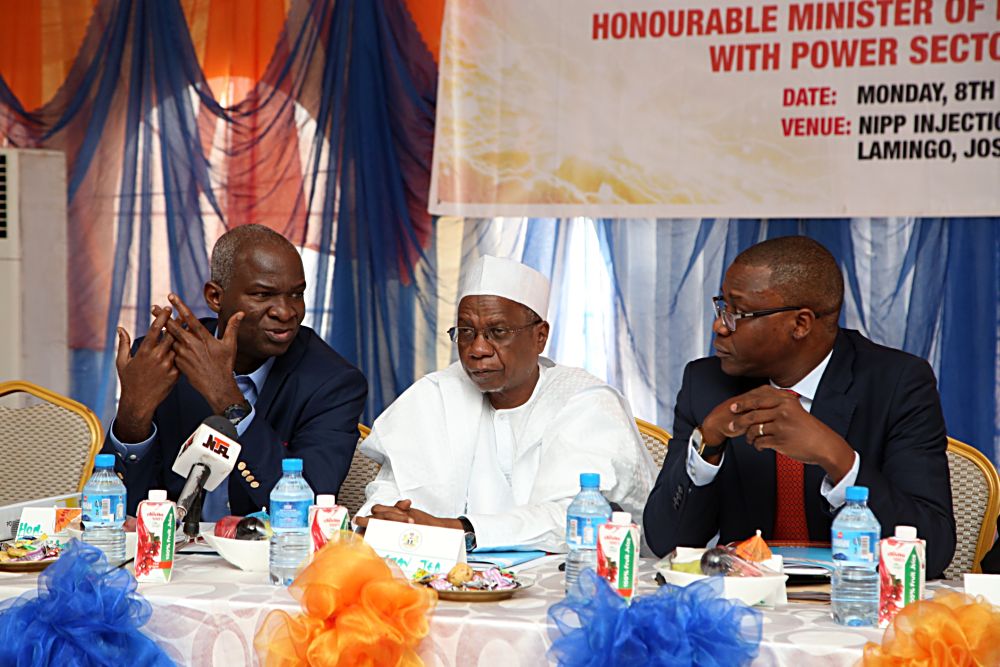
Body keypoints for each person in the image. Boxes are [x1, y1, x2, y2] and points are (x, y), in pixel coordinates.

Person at [643, 236, 956, 578]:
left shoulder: (897, 384)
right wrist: (708, 443)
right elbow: (666, 541)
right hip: (743, 603)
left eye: (737, 312)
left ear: (800, 324)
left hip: (855, 601)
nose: (720, 325)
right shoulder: (706, 384)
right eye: (722, 307)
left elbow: (933, 549)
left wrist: (837, 458)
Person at [354, 256, 656, 552]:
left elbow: (571, 517)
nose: (478, 349)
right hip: (448, 578)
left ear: (540, 337)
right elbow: (393, 486)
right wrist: (388, 517)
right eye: (466, 332)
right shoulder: (436, 394)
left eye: (497, 333)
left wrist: (461, 530)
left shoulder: (585, 402)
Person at [103, 224, 367, 517]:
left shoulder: (332, 382)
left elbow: (307, 509)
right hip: (171, 553)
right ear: (216, 297)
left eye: (296, 294)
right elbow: (109, 513)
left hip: (267, 556)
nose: (286, 311)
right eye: (263, 295)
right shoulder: (161, 360)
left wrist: (229, 401)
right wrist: (132, 418)